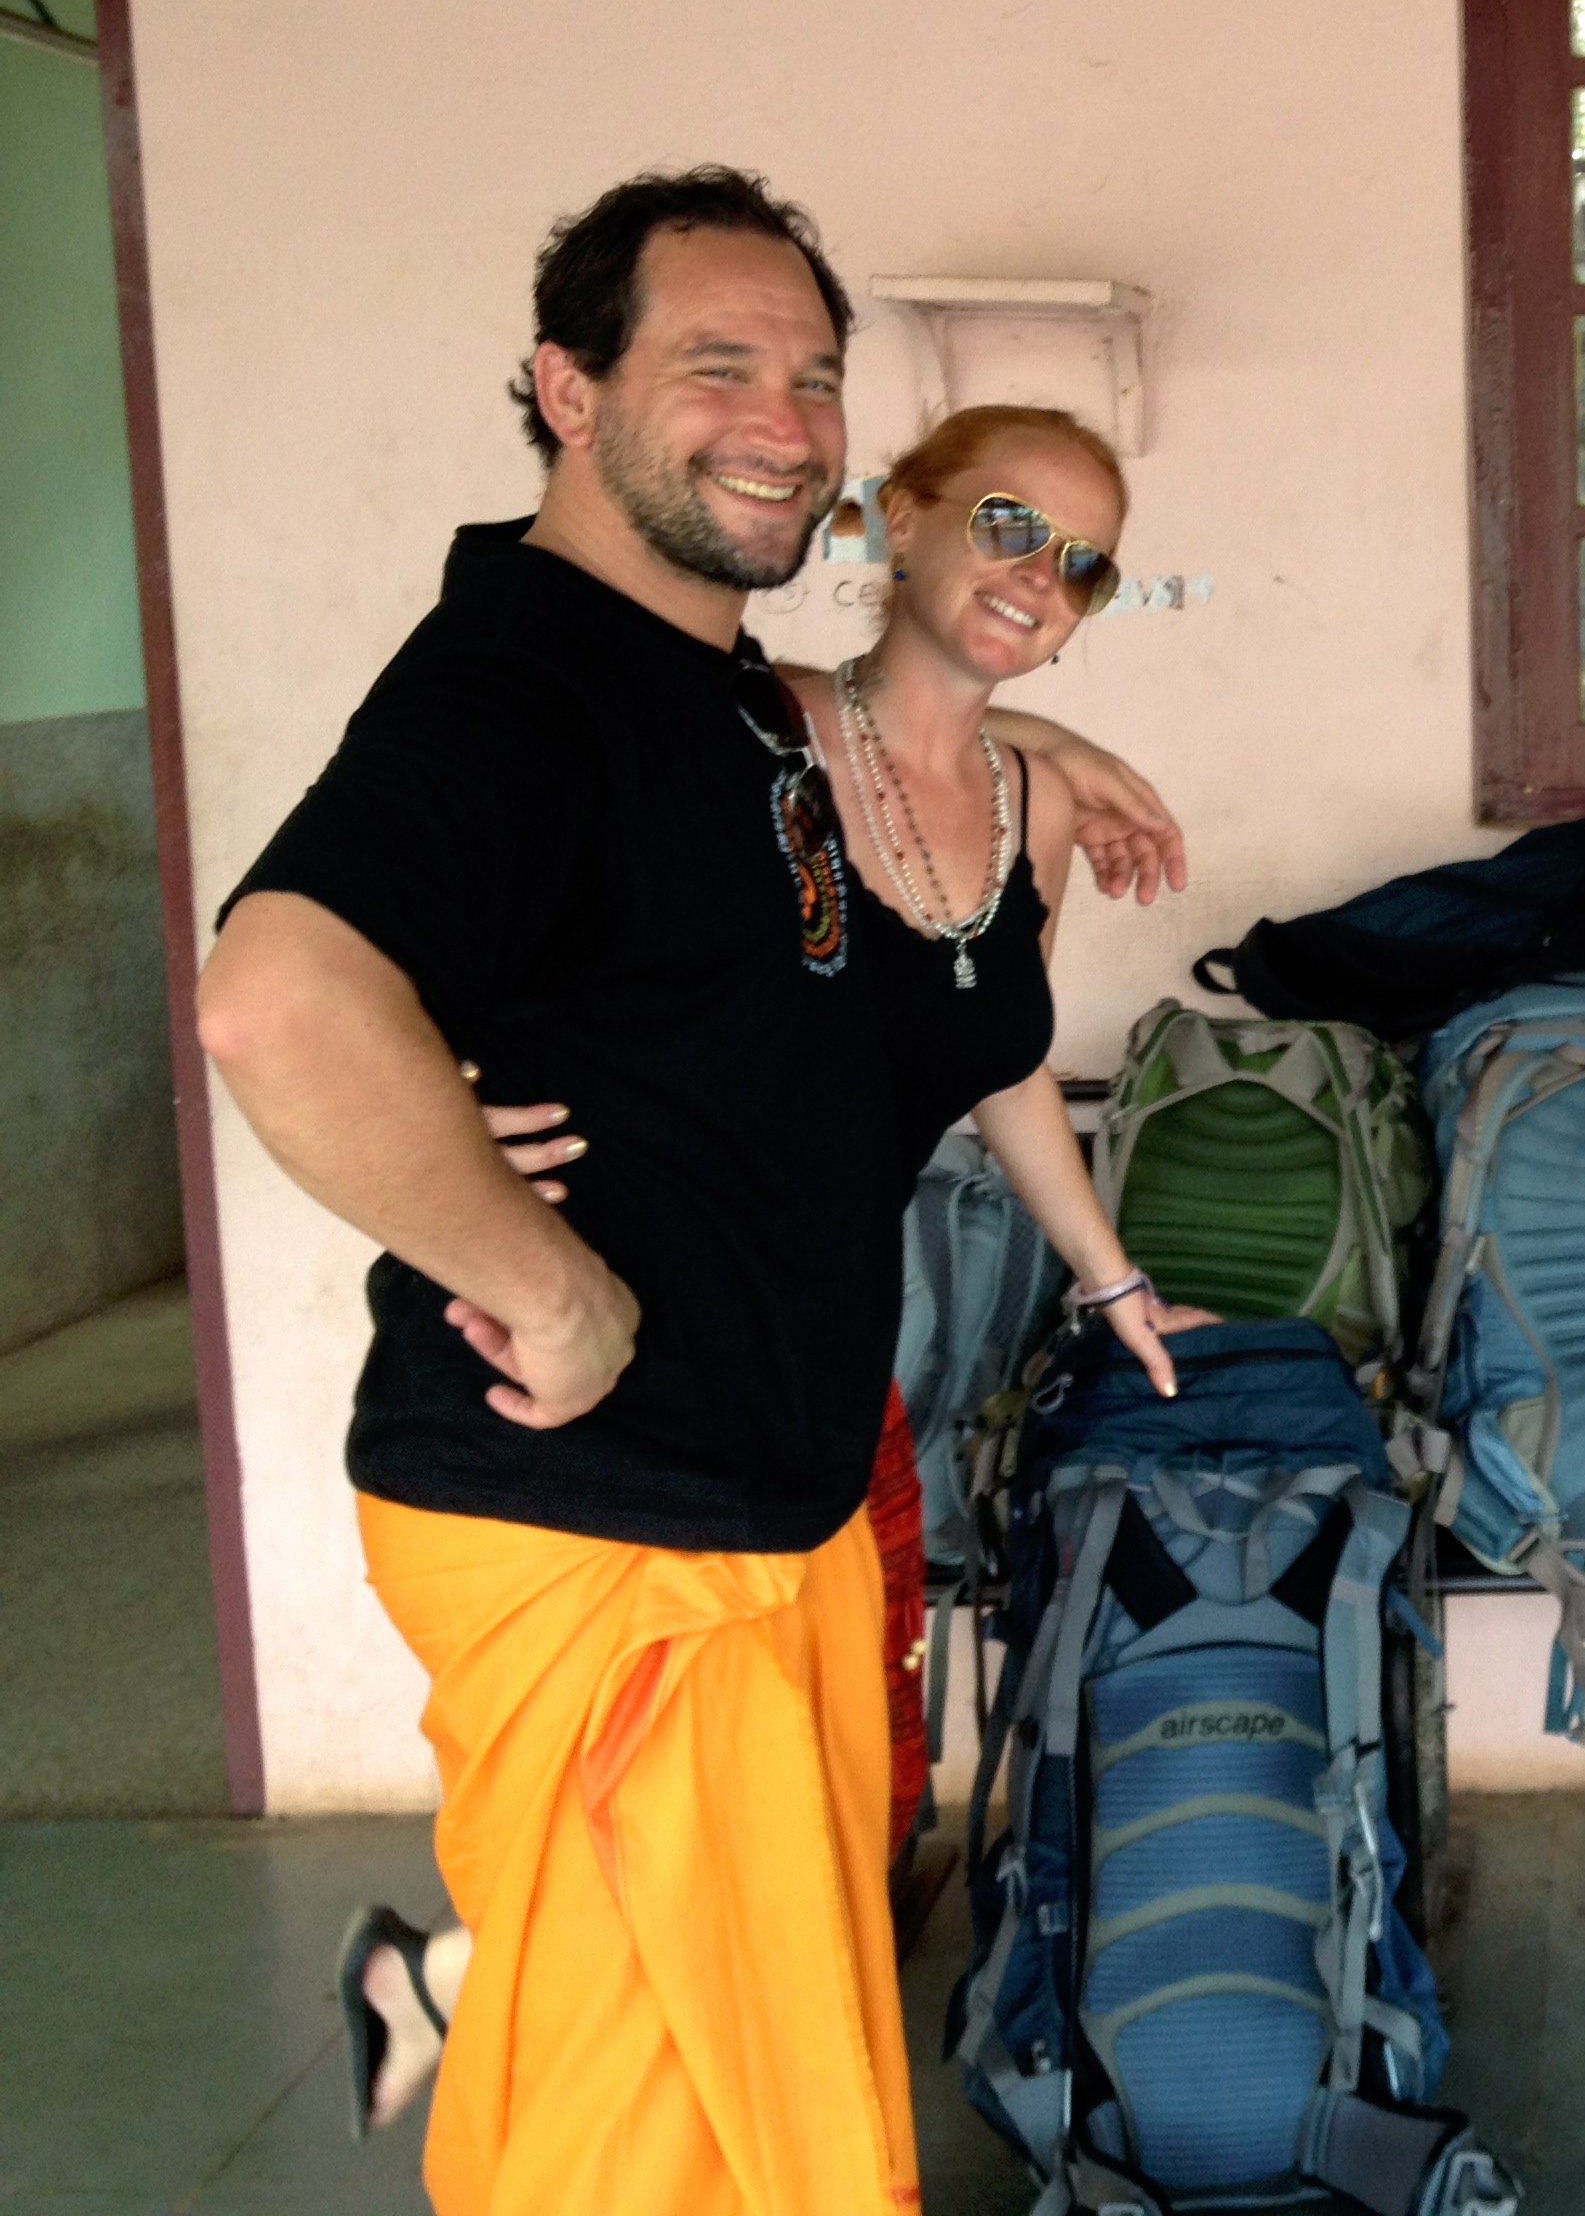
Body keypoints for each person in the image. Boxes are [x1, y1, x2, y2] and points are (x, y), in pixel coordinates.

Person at [200, 168, 1190, 2214]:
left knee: (736, 2071)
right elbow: (279, 997)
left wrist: (1038, 740)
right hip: (606, 1511)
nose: (781, 419)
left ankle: (431, 1990)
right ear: (568, 390)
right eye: (717, 365)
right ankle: (444, 1997)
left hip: (763, 1489)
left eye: (813, 376)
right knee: (645, 2148)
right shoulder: (526, 686)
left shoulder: (719, 688)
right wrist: (540, 1276)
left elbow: (891, 749)